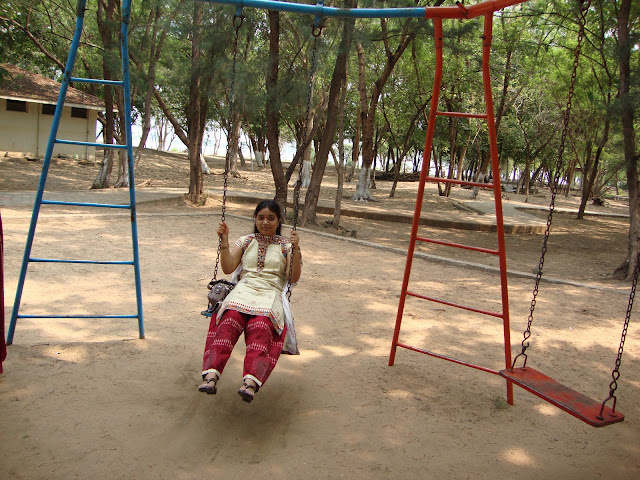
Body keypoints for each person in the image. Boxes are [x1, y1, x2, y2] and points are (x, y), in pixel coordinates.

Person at [198, 199, 302, 402]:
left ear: (278, 221)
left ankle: (250, 382)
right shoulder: (246, 241)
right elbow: (228, 268)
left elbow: (292, 277)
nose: (265, 222)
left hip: (270, 293)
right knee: (229, 320)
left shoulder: (286, 246)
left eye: (271, 218)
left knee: (261, 326)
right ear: (255, 219)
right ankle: (211, 376)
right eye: (261, 218)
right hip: (243, 291)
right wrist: (225, 241)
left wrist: (296, 249)